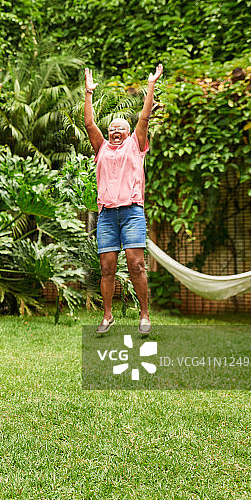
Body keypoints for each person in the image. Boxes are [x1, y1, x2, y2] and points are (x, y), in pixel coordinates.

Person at [84, 64, 163, 335]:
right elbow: (89, 123)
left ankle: (144, 315)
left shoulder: (135, 146)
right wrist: (88, 92)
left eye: (121, 129)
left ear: (128, 134)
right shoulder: (102, 148)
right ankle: (107, 316)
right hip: (107, 215)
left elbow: (144, 118)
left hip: (131, 213)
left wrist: (150, 85)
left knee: (136, 264)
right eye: (112, 129)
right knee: (106, 268)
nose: (116, 132)